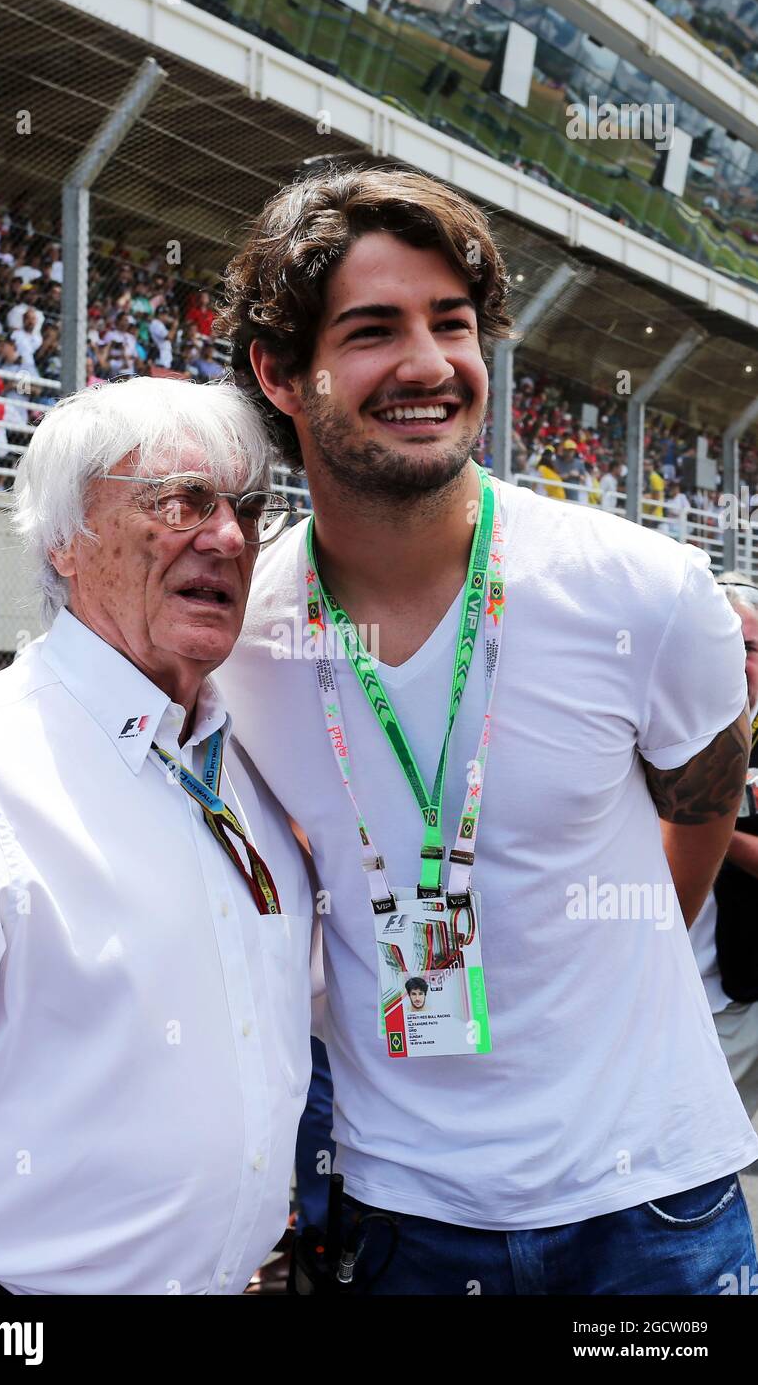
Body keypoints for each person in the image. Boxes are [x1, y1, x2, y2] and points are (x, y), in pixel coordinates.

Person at [214, 162, 758, 1295]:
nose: (427, 364)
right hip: (401, 1213)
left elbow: (699, 807)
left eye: (450, 324)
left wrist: (606, 966)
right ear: (278, 370)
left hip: (648, 1203)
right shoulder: (240, 634)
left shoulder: (643, 594)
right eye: (371, 330)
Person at [0, 376, 313, 1296]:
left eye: (246, 507)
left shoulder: (246, 761)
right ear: (65, 542)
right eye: (180, 502)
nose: (231, 538)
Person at [690, 573, 758, 1132]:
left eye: (751, 648)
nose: (738, 661)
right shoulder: (661, 724)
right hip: (675, 990)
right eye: (726, 645)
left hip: (738, 992)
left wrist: (706, 824)